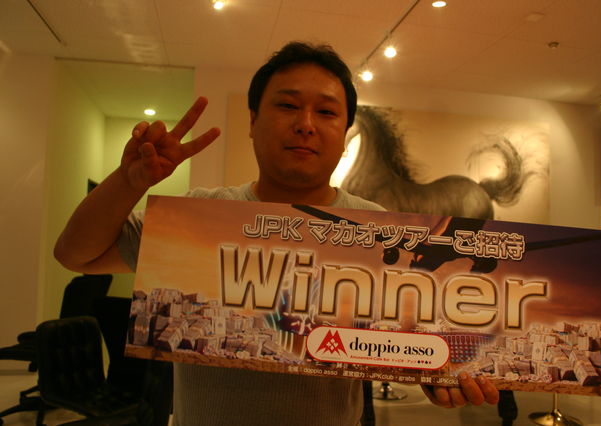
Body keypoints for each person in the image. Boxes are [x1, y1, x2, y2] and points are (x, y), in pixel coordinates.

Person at [55, 41, 499, 426]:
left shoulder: (376, 226)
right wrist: (128, 182)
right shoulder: (201, 214)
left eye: (326, 112)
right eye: (287, 105)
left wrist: (437, 376)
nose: (306, 123)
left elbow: (402, 337)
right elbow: (77, 255)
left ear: (345, 133)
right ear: (252, 121)